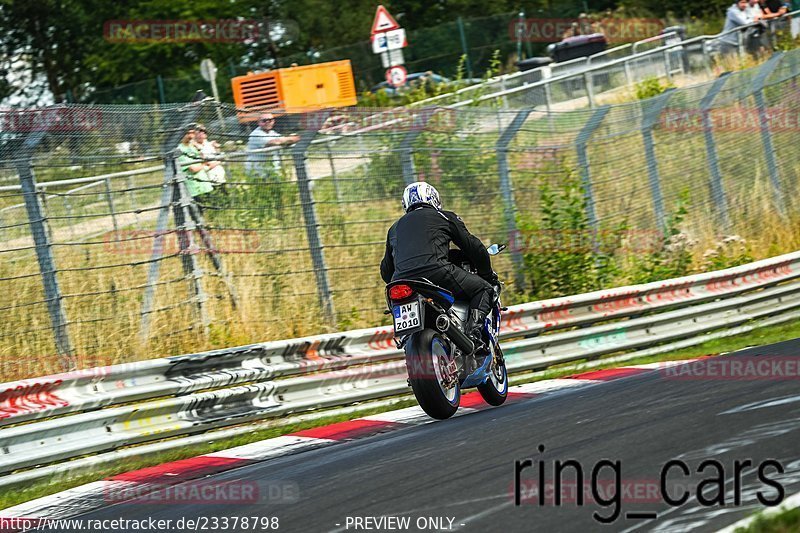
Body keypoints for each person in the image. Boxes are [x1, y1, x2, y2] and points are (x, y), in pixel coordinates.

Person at [380, 182, 498, 350]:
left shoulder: (394, 229)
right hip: (437, 273)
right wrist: (487, 275)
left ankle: (408, 338)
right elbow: (474, 247)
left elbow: (386, 270)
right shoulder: (444, 217)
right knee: (484, 289)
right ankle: (474, 336)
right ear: (433, 198)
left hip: (401, 282)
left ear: (406, 203)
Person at [245, 113, 300, 179]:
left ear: (273, 121)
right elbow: (276, 142)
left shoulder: (272, 133)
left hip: (271, 170)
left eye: (270, 120)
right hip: (257, 171)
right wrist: (292, 138)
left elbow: (284, 140)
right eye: (264, 120)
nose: (267, 122)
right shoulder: (256, 134)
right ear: (259, 122)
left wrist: (289, 139)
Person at [176, 125, 214, 200]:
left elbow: (206, 159)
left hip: (206, 185)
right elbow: (193, 169)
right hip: (195, 188)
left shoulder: (193, 146)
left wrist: (199, 149)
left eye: (192, 133)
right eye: (188, 133)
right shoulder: (179, 150)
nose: (190, 136)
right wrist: (204, 164)